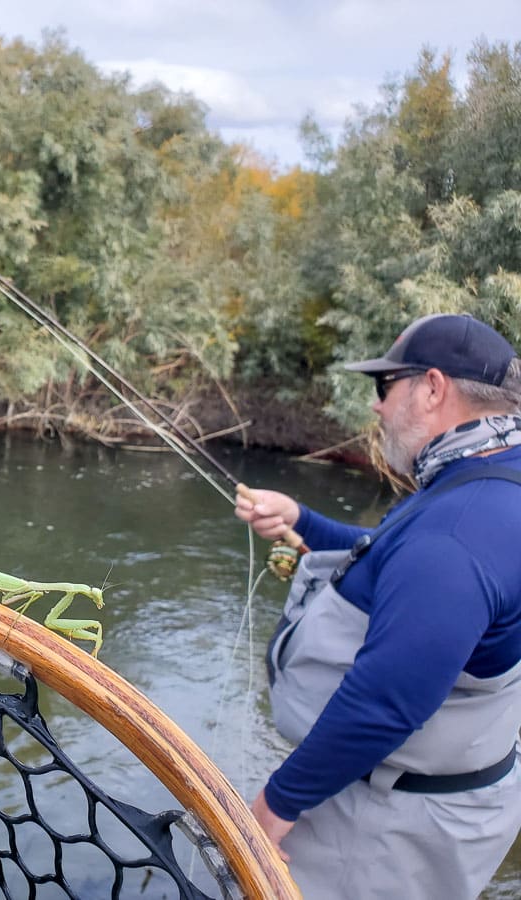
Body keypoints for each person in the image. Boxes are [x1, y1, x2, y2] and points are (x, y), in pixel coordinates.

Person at [235, 313, 521, 899]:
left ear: (434, 387)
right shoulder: (490, 480)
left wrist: (269, 811)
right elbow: (395, 562)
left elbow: (386, 702)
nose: (377, 408)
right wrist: (302, 521)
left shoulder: (456, 532)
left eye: (385, 388)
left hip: (386, 828)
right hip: (436, 796)